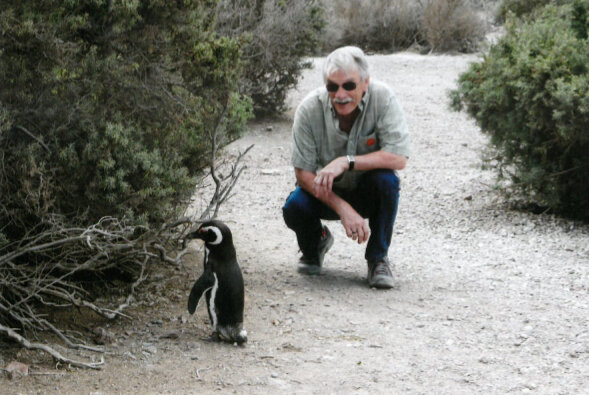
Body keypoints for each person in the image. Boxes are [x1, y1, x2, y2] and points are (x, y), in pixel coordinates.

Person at [282, 46, 410, 289]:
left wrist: (347, 161)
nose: (340, 94)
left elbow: (399, 158)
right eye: (333, 86)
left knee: (387, 182)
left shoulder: (383, 98)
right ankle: (314, 246)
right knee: (294, 206)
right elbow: (303, 174)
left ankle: (378, 258)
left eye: (349, 86)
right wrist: (342, 208)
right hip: (326, 193)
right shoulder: (309, 109)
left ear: (365, 83)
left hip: (367, 190)